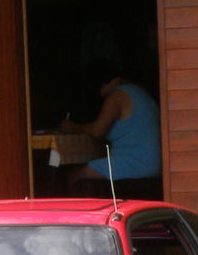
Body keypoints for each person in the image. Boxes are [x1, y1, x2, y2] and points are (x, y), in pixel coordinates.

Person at [61, 58, 161, 192]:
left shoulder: (117, 97)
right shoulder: (140, 92)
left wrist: (72, 127)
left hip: (135, 162)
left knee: (75, 175)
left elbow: (97, 131)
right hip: (155, 163)